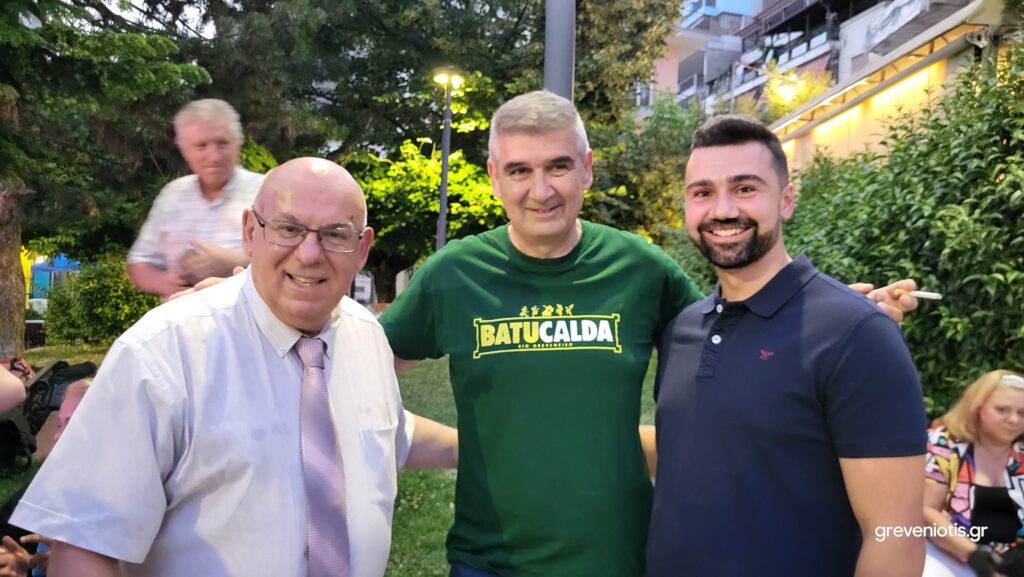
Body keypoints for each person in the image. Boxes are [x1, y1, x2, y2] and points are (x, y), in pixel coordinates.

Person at [378, 91, 919, 576]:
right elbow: (364, 369)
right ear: (494, 177)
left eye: (559, 166)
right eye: (520, 170)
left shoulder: (641, 268)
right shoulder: (454, 273)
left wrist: (841, 317)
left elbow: (747, 321)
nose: (540, 190)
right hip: (489, 562)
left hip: (620, 558)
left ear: (587, 170)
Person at [11, 158, 457, 577]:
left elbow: (386, 431)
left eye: (335, 234)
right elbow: (84, 544)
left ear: (362, 249)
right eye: (288, 228)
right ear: (250, 232)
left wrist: (483, 443)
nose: (309, 253)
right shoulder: (163, 352)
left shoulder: (365, 336)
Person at [646, 115, 928, 577]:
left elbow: (895, 533)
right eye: (702, 193)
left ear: (787, 200)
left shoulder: (857, 333)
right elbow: (699, 449)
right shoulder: (683, 329)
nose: (722, 210)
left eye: (745, 189)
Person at [127, 98, 265, 298]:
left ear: (238, 143)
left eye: (222, 143)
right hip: (181, 315)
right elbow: (139, 262)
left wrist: (237, 262)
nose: (214, 156)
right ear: (184, 150)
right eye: (201, 146)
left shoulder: (265, 192)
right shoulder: (171, 196)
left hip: (245, 316)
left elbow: (289, 262)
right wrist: (169, 283)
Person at [923, 370, 1024, 577]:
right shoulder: (943, 443)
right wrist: (973, 555)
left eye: (1022, 413)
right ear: (977, 408)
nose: (1014, 420)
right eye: (1002, 410)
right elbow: (924, 511)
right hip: (951, 555)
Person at [0, 379, 91, 577]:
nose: (57, 436)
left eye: (72, 425)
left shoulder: (120, 513)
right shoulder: (45, 491)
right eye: (59, 425)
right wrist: (25, 563)